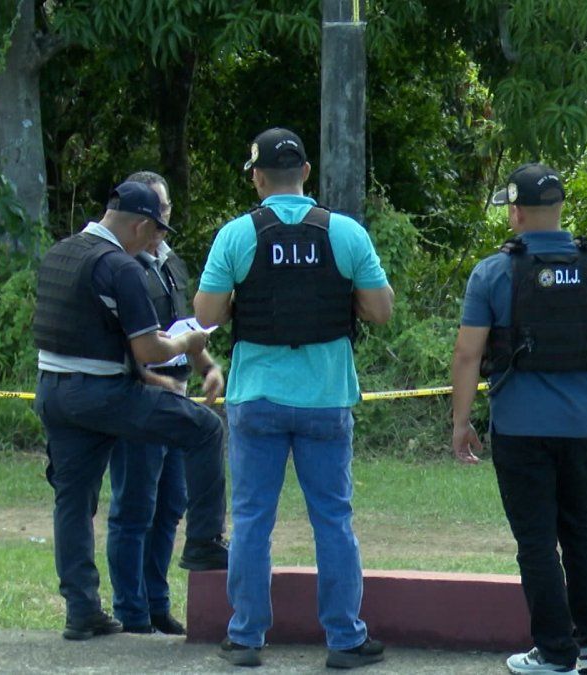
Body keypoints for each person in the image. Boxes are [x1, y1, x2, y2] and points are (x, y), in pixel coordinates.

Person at [194, 127, 394, 669]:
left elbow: (206, 317)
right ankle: (346, 639)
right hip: (326, 398)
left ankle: (246, 636)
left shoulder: (237, 235)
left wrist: (241, 300)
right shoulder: (346, 233)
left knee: (252, 518)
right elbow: (381, 311)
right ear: (307, 173)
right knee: (333, 519)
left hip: (256, 397)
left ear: (257, 178)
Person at [449, 163, 587, 675]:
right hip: (579, 425)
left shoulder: (494, 271)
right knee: (581, 532)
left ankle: (554, 653)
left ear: (516, 211)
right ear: (561, 208)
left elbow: (468, 353)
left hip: (519, 427)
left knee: (536, 540)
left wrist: (461, 422)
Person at [32, 180, 229, 641]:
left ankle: (82, 611)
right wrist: (189, 343)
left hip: (53, 392)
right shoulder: (120, 266)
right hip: (104, 393)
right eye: (154, 232)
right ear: (139, 224)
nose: (155, 242)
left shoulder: (61, 252)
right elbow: (149, 348)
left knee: (73, 500)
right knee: (204, 428)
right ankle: (204, 541)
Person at [105, 171, 226, 636]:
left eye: (168, 209)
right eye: (156, 213)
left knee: (171, 503)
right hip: (140, 398)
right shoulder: (120, 265)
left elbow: (183, 328)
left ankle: (158, 605)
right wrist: (154, 379)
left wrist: (207, 366)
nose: (163, 221)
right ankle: (131, 613)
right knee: (135, 506)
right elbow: (120, 345)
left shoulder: (170, 262)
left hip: (176, 399)